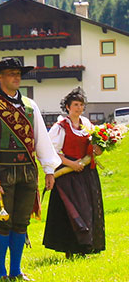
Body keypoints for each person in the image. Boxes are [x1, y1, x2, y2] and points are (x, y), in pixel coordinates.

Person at [0, 58, 61, 281]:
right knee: (2, 222)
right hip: (2, 171)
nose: (16, 77)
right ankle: (1, 272)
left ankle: (16, 270)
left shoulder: (31, 106)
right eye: (11, 73)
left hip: (28, 171)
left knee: (22, 222)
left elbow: (41, 139)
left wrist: (49, 169)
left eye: (18, 73)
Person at [43, 88, 105, 258]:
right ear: (68, 107)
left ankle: (86, 246)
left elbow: (93, 145)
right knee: (73, 210)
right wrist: (72, 163)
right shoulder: (60, 127)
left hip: (86, 174)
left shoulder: (86, 124)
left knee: (88, 208)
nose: (78, 108)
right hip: (67, 174)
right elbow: (52, 151)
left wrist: (98, 150)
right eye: (75, 105)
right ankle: (71, 248)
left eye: (81, 105)